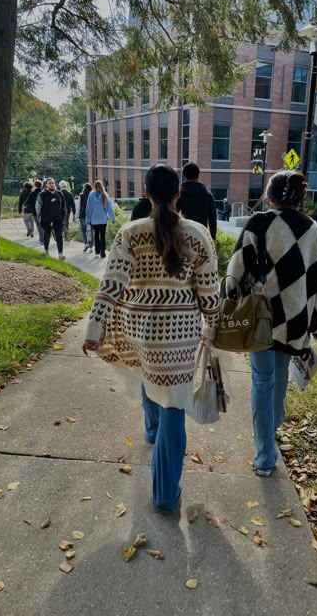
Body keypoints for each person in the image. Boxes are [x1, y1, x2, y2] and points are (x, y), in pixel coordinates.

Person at [83, 164, 220, 512]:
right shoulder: (199, 234)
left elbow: (110, 285)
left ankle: (150, 430)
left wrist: (93, 331)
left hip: (141, 331)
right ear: (178, 194)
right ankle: (163, 494)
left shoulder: (129, 234)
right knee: (175, 403)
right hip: (180, 336)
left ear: (146, 193)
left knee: (148, 372)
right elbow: (209, 295)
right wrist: (212, 327)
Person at [226, 171, 317, 477]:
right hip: (295, 320)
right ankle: (267, 444)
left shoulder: (258, 223)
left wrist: (231, 298)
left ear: (270, 195)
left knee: (262, 381)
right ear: (299, 197)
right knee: (278, 385)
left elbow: (235, 272)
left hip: (260, 317)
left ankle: (264, 456)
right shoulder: (314, 229)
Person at [177, 162, 217, 239]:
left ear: (184, 175)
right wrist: (212, 237)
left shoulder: (179, 195)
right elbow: (212, 218)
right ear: (198, 174)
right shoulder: (207, 194)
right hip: (201, 235)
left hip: (184, 235)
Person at [35, 177, 67, 260]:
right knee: (47, 234)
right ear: (46, 184)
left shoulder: (59, 194)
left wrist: (63, 217)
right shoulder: (42, 195)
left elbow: (64, 207)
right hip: (46, 220)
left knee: (59, 236)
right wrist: (40, 220)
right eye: (50, 183)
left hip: (58, 219)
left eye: (53, 183)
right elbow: (38, 208)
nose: (52, 184)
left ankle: (60, 254)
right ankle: (46, 250)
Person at [85, 180, 115, 258]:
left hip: (94, 219)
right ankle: (103, 253)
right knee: (102, 236)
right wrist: (113, 219)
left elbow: (89, 208)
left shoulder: (91, 195)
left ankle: (97, 251)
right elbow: (109, 209)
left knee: (96, 235)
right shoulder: (105, 195)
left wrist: (88, 219)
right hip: (103, 219)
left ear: (94, 186)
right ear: (102, 186)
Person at [78, 183, 93, 252]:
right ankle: (90, 247)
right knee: (90, 231)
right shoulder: (92, 196)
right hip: (90, 216)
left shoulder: (81, 196)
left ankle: (85, 244)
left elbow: (78, 207)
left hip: (82, 215)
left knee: (84, 230)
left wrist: (76, 216)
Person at [31, 179, 44, 244]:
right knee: (44, 225)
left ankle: (42, 239)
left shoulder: (32, 193)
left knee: (39, 226)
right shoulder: (44, 193)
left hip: (35, 212)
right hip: (44, 212)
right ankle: (45, 238)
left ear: (35, 185)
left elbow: (28, 202)